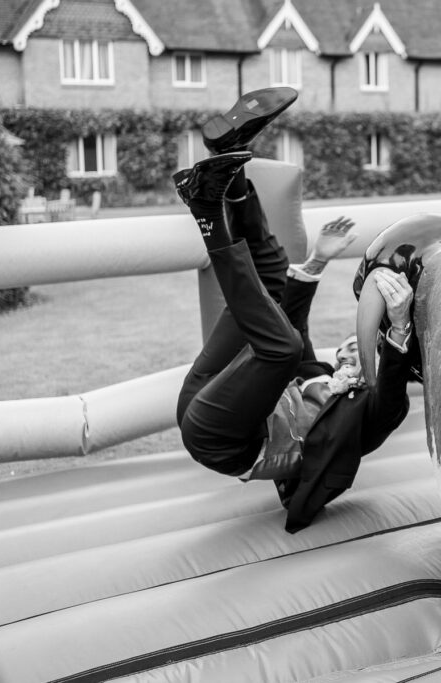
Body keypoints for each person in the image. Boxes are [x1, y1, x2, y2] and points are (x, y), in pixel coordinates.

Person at [172, 87, 415, 533]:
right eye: (350, 346)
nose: (348, 349)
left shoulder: (372, 413)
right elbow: (293, 319)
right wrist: (318, 260)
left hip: (222, 440)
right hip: (203, 396)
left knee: (281, 348)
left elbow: (391, 391)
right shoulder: (319, 373)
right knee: (274, 281)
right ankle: (230, 162)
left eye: (360, 348)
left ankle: (206, 212)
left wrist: (399, 326)